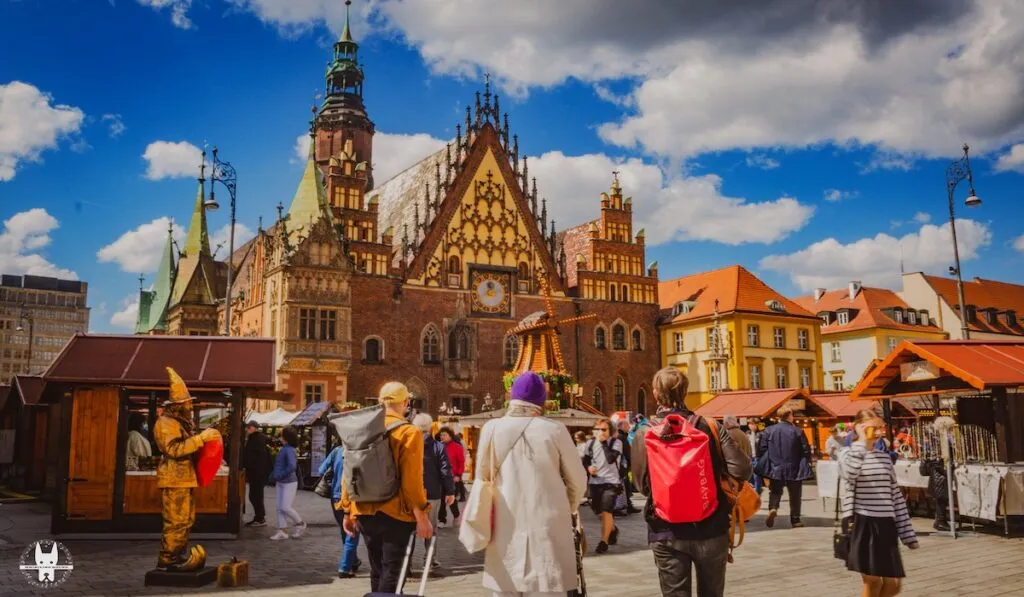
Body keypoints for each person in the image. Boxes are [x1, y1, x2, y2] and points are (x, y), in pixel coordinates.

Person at [632, 367, 751, 597]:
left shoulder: (646, 431)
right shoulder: (711, 426)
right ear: (685, 392)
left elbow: (642, 485)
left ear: (656, 394)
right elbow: (742, 468)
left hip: (667, 531)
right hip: (712, 525)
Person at [475, 371, 587, 597]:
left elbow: (481, 476)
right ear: (541, 400)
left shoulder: (491, 429)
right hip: (547, 526)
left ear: (512, 395)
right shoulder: (554, 430)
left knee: (506, 587)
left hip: (504, 524)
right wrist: (568, 507)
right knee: (546, 586)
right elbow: (578, 480)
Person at [340, 382, 432, 595]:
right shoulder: (409, 432)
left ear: (380, 402)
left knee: (377, 569)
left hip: (364, 510)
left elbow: (349, 472)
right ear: (406, 403)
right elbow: (411, 481)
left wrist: (347, 510)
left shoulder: (362, 430)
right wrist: (422, 515)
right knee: (393, 572)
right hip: (396, 512)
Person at [839, 410, 919, 596]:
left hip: (885, 523)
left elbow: (895, 497)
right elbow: (849, 474)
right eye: (872, 428)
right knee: (873, 581)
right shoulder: (848, 453)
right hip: (862, 522)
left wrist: (907, 533)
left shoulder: (884, 457)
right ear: (860, 427)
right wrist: (862, 443)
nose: (878, 433)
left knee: (893, 584)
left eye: (880, 428)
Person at [154, 367, 221, 571]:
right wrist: (201, 439)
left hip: (183, 478)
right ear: (177, 406)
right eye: (187, 403)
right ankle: (168, 559)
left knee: (186, 519)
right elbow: (173, 449)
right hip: (174, 478)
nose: (190, 406)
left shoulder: (178, 422)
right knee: (175, 520)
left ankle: (179, 555)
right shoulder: (166, 423)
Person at [756, 407, 813, 528]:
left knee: (775, 491)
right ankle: (795, 519)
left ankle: (773, 508)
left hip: (775, 467)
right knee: (795, 494)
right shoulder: (797, 431)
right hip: (795, 467)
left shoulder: (768, 431)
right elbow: (805, 450)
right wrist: (807, 461)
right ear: (789, 416)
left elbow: (761, 449)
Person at [412, 413, 454, 571]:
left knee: (409, 528)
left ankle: (406, 562)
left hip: (412, 493)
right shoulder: (438, 447)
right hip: (432, 493)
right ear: (430, 428)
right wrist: (450, 492)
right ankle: (429, 560)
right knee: (431, 527)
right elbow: (445, 471)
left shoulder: (409, 444)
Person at [319, 442, 361, 578]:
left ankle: (353, 561)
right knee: (352, 532)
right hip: (351, 496)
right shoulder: (358, 451)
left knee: (345, 530)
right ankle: (345, 567)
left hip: (335, 496)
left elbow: (321, 469)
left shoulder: (337, 451)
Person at [583, 418, 623, 553]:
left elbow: (611, 459)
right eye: (598, 429)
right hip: (595, 482)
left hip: (611, 482)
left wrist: (603, 442)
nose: (601, 432)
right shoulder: (589, 444)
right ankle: (611, 528)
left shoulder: (616, 442)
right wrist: (589, 468)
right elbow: (586, 460)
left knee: (607, 510)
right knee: (598, 511)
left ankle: (603, 542)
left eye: (604, 429)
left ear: (610, 431)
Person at [268, 426, 306, 540]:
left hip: (288, 482)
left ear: (285, 437)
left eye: (281, 435)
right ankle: (282, 531)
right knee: (280, 507)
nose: (280, 437)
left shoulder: (288, 449)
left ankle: (300, 523)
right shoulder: (287, 448)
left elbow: (292, 466)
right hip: (282, 481)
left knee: (284, 507)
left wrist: (278, 474)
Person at [242, 421, 271, 527]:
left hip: (257, 473)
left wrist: (255, 470)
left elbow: (257, 457)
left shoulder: (256, 439)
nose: (246, 430)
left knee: (255, 496)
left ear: (253, 428)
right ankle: (259, 517)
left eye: (248, 428)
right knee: (255, 495)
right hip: (257, 473)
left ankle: (260, 518)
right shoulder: (257, 439)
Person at [436, 426, 465, 528]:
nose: (442, 437)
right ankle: (442, 520)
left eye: (444, 435)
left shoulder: (457, 447)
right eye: (441, 435)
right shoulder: (438, 446)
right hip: (440, 478)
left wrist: (458, 475)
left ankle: (456, 515)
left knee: (451, 499)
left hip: (452, 477)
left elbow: (461, 463)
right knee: (441, 500)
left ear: (450, 436)